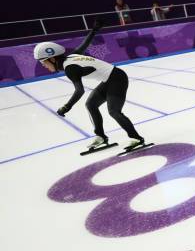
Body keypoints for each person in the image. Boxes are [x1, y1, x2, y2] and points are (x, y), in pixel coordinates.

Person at [33, 21, 146, 152]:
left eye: (43, 62)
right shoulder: (72, 56)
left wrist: (66, 107)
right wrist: (94, 30)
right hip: (109, 79)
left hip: (117, 78)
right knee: (91, 104)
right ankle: (101, 136)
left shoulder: (70, 68)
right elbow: (84, 45)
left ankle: (136, 138)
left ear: (52, 58)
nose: (43, 66)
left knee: (114, 111)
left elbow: (79, 91)